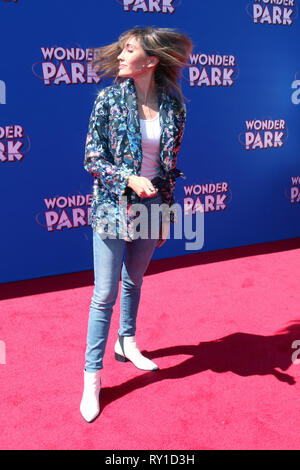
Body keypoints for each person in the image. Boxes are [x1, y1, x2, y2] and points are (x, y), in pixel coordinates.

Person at [80, 26, 192, 422]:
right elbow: (93, 159)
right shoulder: (109, 100)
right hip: (113, 207)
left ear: (152, 60)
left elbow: (169, 168)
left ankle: (126, 341)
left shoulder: (174, 106)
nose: (122, 55)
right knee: (104, 294)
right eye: (123, 49)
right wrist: (128, 179)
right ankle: (92, 379)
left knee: (135, 281)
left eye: (131, 50)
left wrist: (166, 215)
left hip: (152, 208)